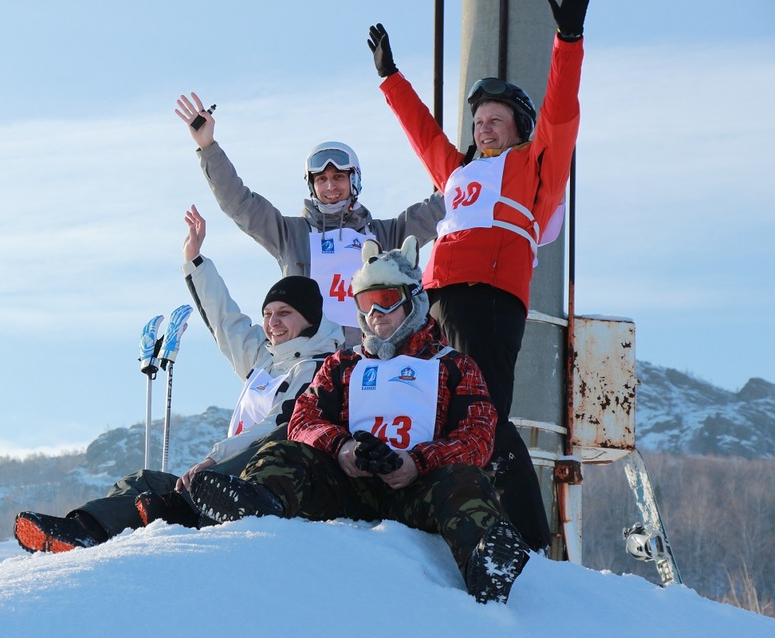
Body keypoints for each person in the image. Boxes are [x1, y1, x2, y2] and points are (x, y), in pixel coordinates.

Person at [189, 237, 530, 604]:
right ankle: (258, 503)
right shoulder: (344, 363)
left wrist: (418, 462)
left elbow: (478, 435)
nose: (375, 314)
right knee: (285, 450)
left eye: (385, 301)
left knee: (466, 480)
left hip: (420, 489)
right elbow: (304, 418)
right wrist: (343, 447)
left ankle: (486, 563)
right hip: (350, 486)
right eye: (366, 304)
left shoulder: (452, 364)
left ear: (412, 300)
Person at [363, 0, 590, 551]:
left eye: (495, 120)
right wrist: (390, 79)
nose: (483, 127)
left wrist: (568, 39)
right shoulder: (460, 171)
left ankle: (532, 537)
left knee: (485, 410)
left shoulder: (535, 166)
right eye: (478, 120)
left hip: (488, 296)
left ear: (519, 129)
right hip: (439, 296)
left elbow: (561, 113)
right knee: (442, 405)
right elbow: (423, 134)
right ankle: (447, 515)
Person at [13, 206, 344, 553]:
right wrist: (195, 262)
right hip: (220, 472)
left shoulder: (318, 369)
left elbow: (277, 425)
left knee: (191, 486)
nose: (272, 322)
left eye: (285, 314)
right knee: (143, 480)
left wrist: (214, 460)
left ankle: (172, 516)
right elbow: (225, 320)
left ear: (308, 319)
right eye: (268, 314)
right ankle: (80, 531)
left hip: (256, 481)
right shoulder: (265, 358)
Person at [175, 93, 447, 345]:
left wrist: (480, 168)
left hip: (369, 358)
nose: (330, 187)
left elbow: (443, 204)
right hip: (310, 361)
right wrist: (208, 147)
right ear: (311, 185)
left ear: (355, 181)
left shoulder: (386, 235)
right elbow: (240, 203)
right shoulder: (290, 234)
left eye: (339, 177)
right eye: (321, 180)